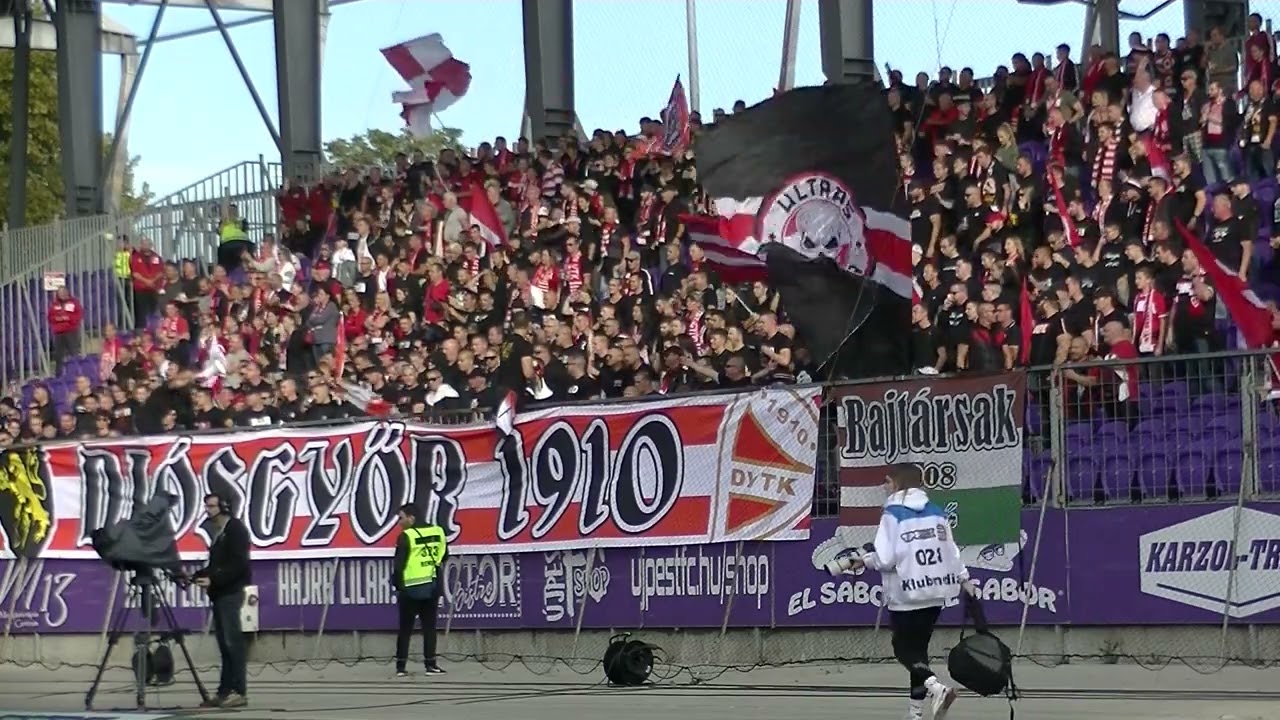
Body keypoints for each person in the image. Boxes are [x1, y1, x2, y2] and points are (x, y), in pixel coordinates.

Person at [825, 463, 976, 720]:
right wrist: (965, 579)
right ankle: (915, 714)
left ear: (897, 483)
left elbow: (885, 559)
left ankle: (935, 687)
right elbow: (951, 550)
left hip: (906, 593)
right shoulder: (937, 512)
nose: (884, 486)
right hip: (936, 590)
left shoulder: (892, 514)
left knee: (903, 649)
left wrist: (863, 560)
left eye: (887, 481)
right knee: (919, 651)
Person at [193, 493, 252, 708]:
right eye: (206, 506)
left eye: (211, 506)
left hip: (230, 593)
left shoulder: (235, 530)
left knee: (232, 642)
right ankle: (224, 691)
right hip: (220, 593)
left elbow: (238, 565)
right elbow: (217, 564)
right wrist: (197, 575)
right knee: (224, 645)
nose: (207, 510)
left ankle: (239, 691)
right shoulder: (220, 533)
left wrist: (213, 579)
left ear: (223, 507)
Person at [392, 503, 448, 677]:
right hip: (431, 586)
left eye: (401, 518)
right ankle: (431, 665)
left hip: (410, 589)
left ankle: (401, 667)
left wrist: (398, 586)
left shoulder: (405, 536)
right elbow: (445, 555)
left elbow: (399, 566)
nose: (399, 522)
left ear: (411, 518)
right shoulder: (438, 532)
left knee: (405, 629)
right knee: (430, 627)